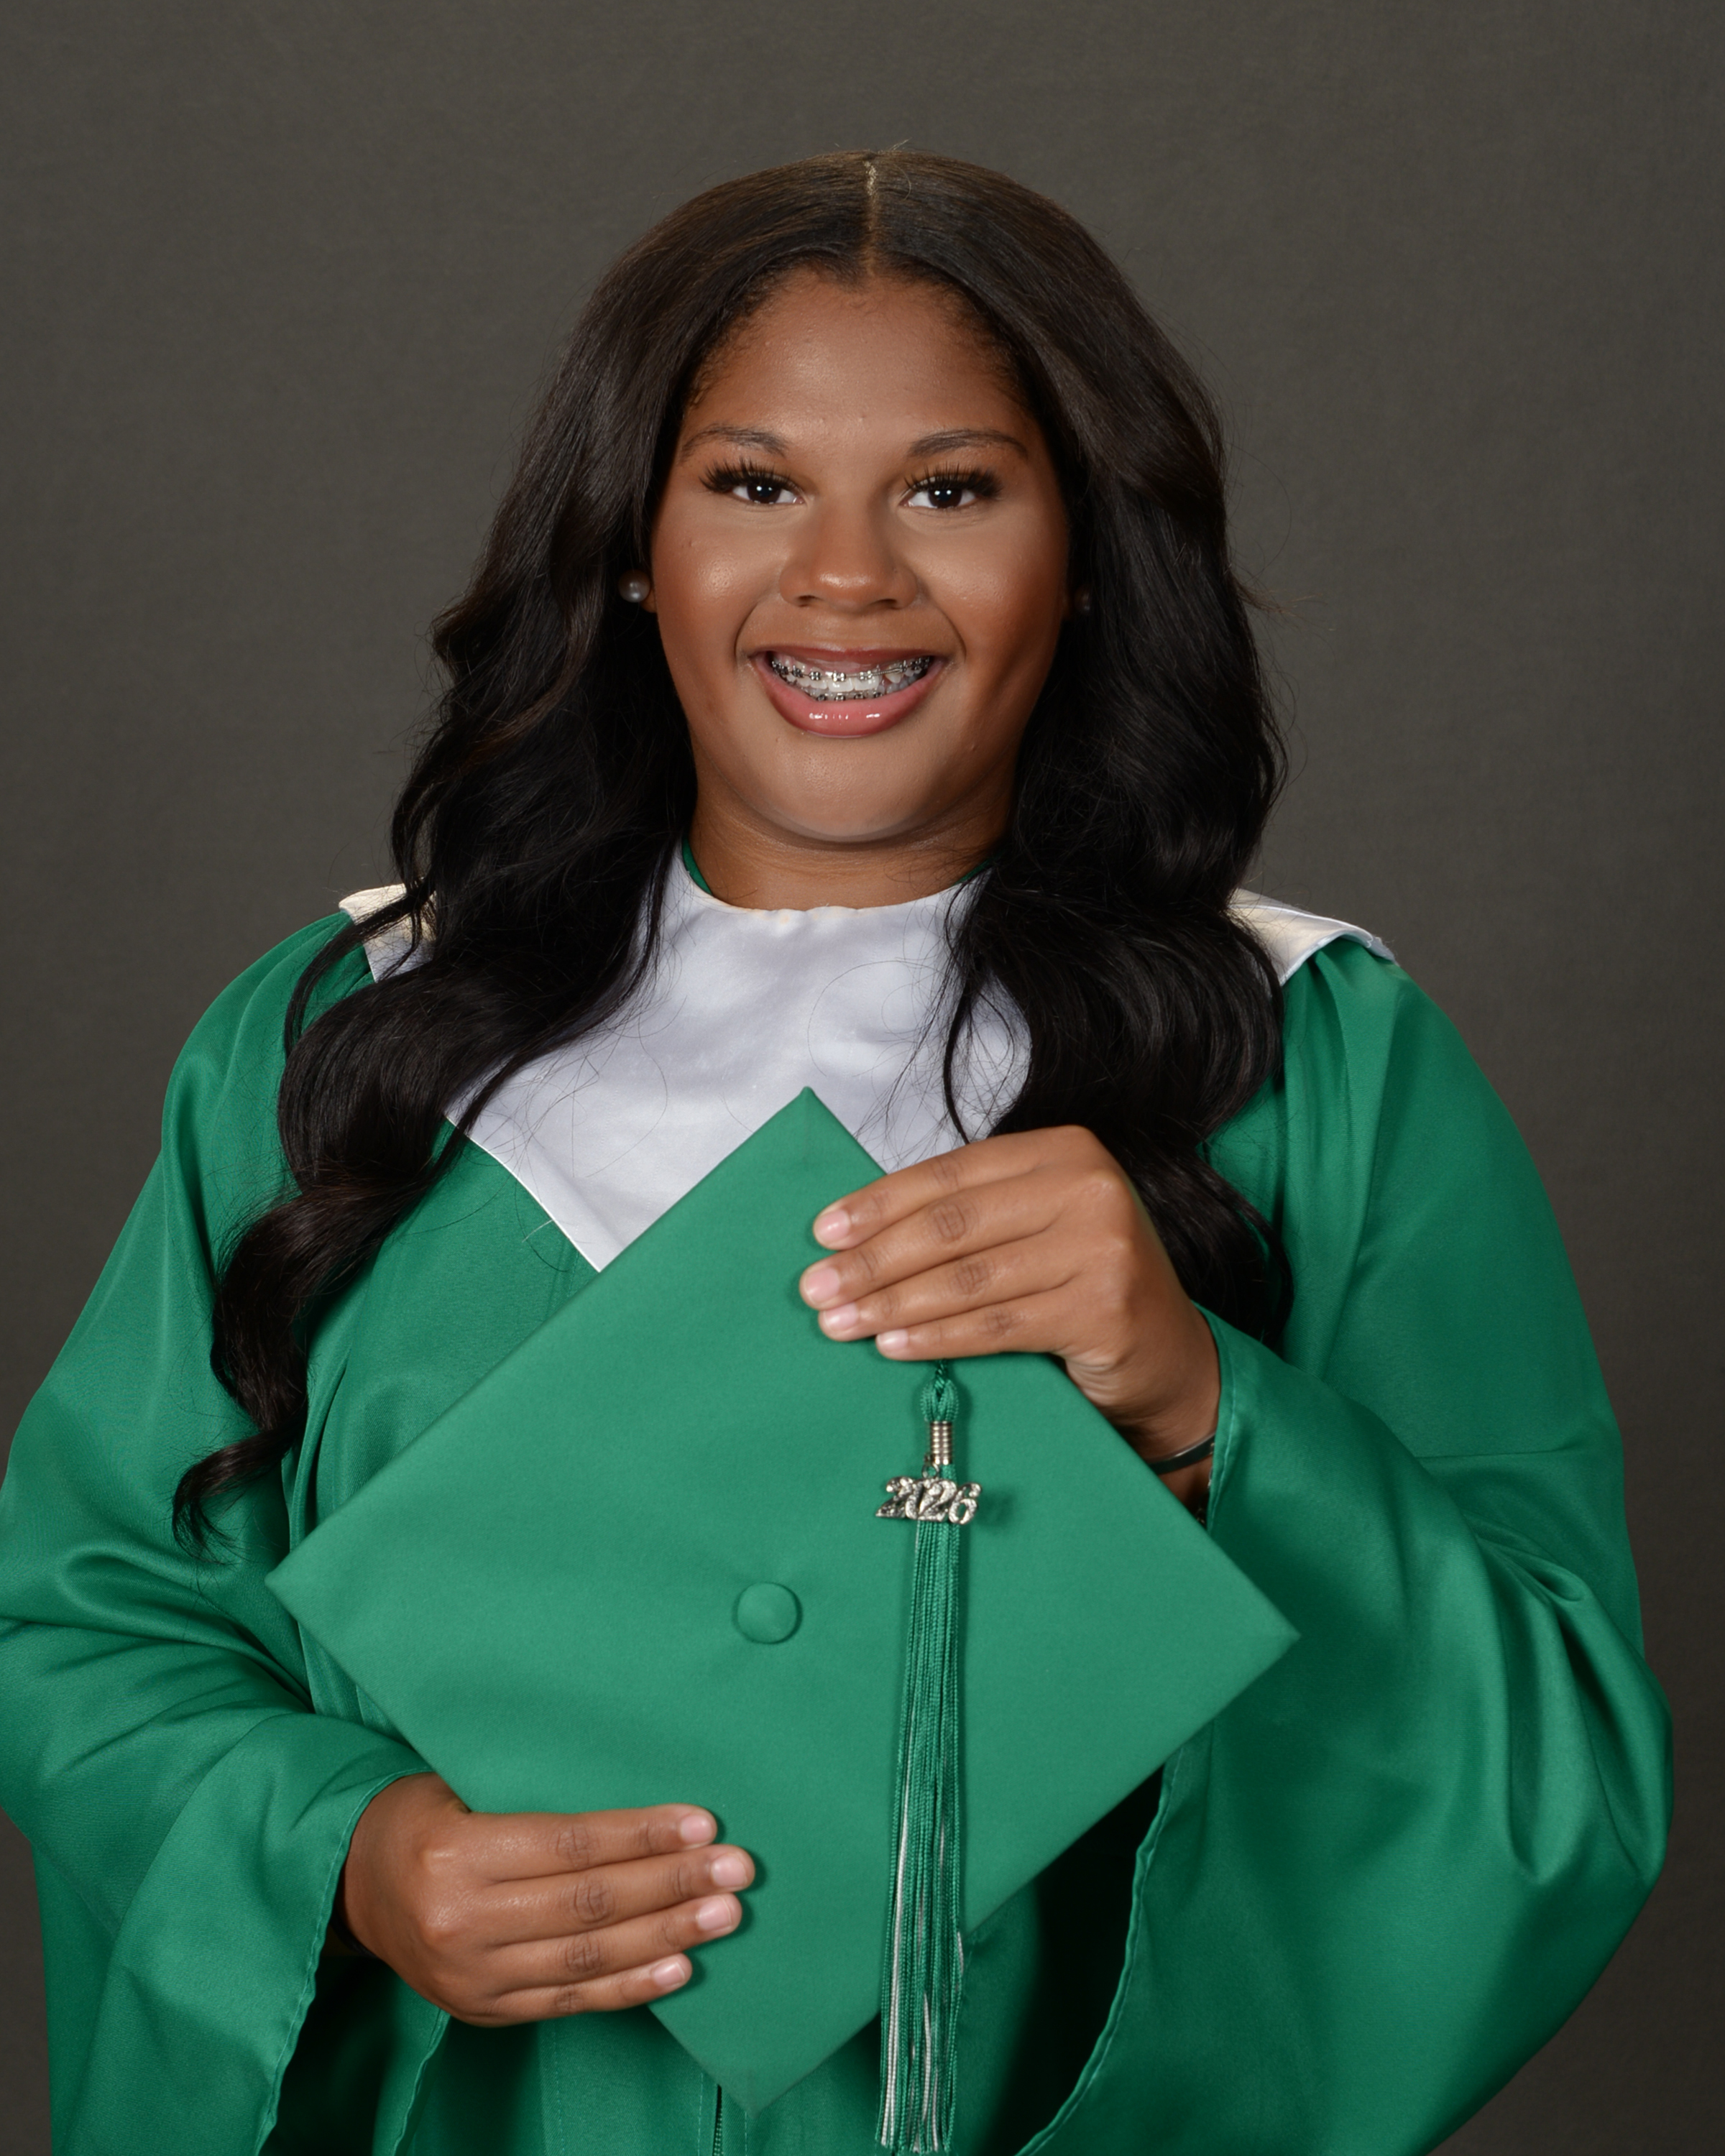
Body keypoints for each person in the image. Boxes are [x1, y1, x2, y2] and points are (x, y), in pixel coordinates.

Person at [0, 150, 1670, 2156]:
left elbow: (1548, 1761)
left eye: (952, 491)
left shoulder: (1315, 1064)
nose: (847, 578)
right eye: (753, 484)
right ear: (635, 547)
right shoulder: (347, 1042)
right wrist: (349, 1856)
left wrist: (1211, 1409)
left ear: (1083, 552)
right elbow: (86, 1624)